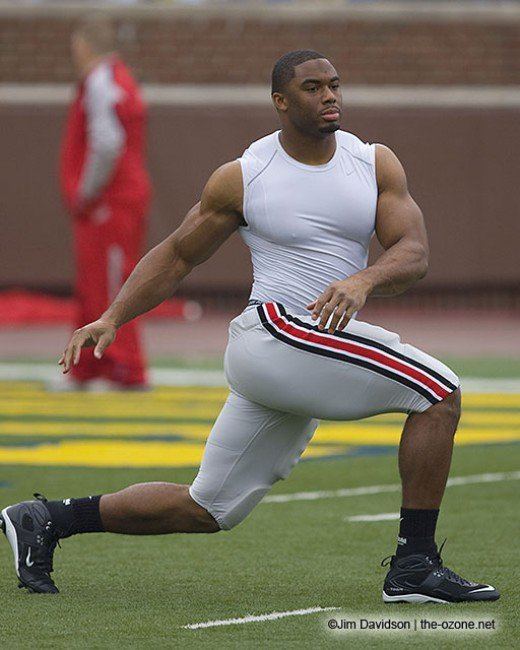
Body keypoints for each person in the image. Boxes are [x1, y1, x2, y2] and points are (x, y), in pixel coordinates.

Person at [1, 51, 499, 602]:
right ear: (281, 102)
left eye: (335, 85)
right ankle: (414, 565)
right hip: (276, 332)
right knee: (439, 393)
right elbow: (177, 256)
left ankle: (46, 519)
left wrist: (364, 280)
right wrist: (113, 317)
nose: (330, 96)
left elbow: (414, 252)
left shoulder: (373, 162)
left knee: (208, 508)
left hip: (304, 353)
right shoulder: (246, 175)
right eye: (313, 88)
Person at [58, 14, 151, 390]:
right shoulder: (112, 80)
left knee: (112, 283)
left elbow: (107, 142)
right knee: (93, 281)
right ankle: (86, 366)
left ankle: (122, 367)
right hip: (111, 200)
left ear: (84, 46)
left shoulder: (102, 82)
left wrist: (85, 190)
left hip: (112, 200)